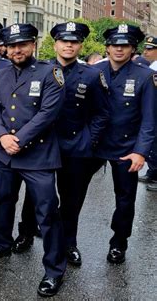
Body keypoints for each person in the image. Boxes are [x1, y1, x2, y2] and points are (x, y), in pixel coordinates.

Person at [15, 22, 110, 266]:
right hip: (41, 145)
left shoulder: (90, 75)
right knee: (35, 196)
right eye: (64, 41)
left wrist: (90, 139)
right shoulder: (40, 69)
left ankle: (69, 242)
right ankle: (25, 232)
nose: (69, 45)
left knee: (71, 198)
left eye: (74, 41)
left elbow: (101, 113)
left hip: (74, 147)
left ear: (80, 45)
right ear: (55, 44)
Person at [0, 23, 67, 297]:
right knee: (3, 201)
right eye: (12, 45)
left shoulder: (50, 73)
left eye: (23, 44)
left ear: (33, 45)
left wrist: (17, 140)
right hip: (4, 154)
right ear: (5, 48)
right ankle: (2, 243)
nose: (17, 50)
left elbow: (47, 114)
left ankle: (54, 270)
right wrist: (2, 137)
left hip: (38, 155)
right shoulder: (1, 75)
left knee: (47, 212)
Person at [93, 24, 155, 264]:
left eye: (125, 45)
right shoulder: (94, 71)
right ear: (107, 47)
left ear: (132, 49)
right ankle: (68, 241)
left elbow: (150, 120)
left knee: (125, 199)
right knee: (72, 194)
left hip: (126, 148)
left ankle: (119, 242)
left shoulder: (145, 76)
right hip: (94, 145)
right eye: (114, 45)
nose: (119, 49)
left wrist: (141, 152)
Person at [139, 35, 157, 191]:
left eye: (150, 49)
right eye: (145, 48)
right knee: (153, 145)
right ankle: (153, 172)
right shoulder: (152, 67)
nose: (145, 52)